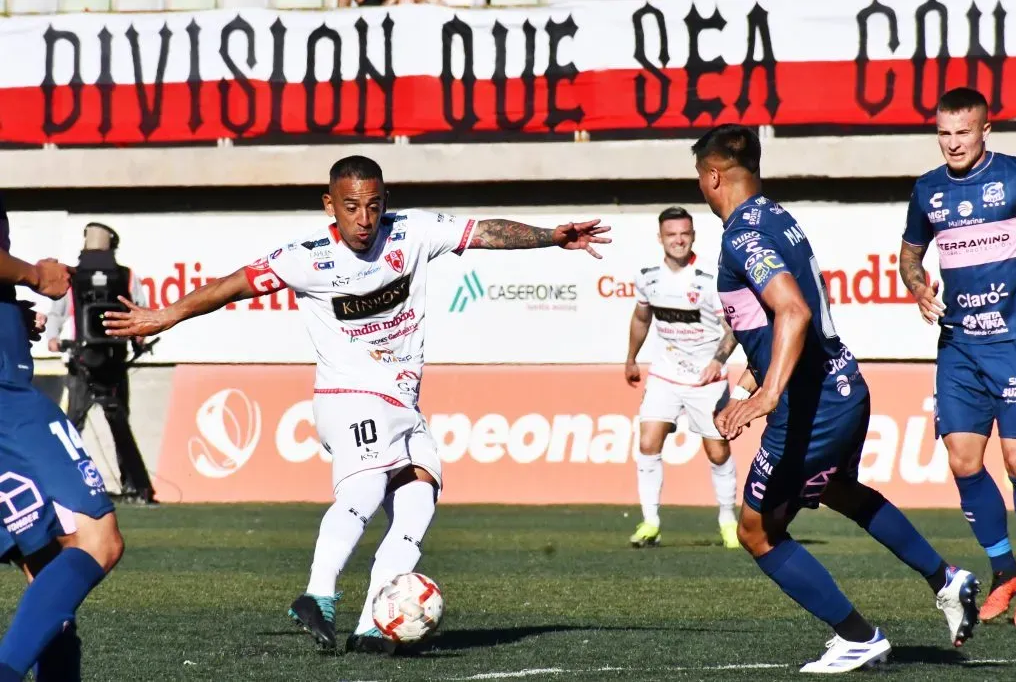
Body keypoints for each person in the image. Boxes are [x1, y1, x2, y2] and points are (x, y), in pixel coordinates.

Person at [103, 155, 611, 654]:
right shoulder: (305, 257)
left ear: (385, 201)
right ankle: (318, 592)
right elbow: (229, 286)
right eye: (350, 207)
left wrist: (552, 236)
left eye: (372, 206)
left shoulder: (413, 232)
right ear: (330, 205)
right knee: (368, 484)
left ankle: (372, 624)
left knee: (418, 500)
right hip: (348, 396)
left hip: (403, 403)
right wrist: (166, 315)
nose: (363, 220)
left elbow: (485, 231)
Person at [694, 124, 979, 673]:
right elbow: (780, 324)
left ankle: (858, 636)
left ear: (712, 177)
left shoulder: (740, 236)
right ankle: (946, 579)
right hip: (843, 386)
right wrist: (754, 381)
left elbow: (794, 312)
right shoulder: (778, 218)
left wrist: (767, 395)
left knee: (756, 529)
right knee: (838, 490)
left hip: (811, 406)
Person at [900, 86, 1016, 627]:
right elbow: (910, 255)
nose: (953, 143)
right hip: (959, 346)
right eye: (944, 133)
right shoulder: (927, 189)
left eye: (963, 132)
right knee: (963, 460)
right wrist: (917, 286)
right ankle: (1006, 571)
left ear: (985, 129)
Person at [0, 198, 125, 681]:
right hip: (8, 402)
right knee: (96, 540)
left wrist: (11, 314)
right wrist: (33, 275)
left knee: (47, 564)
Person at [625, 206, 740, 549]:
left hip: (707, 378)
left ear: (693, 237)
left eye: (684, 234)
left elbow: (732, 328)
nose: (678, 240)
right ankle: (650, 521)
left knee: (717, 452)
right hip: (666, 372)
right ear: (660, 238)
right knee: (648, 443)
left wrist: (718, 361)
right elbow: (641, 318)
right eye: (671, 234)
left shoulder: (709, 278)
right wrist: (631, 358)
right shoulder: (648, 277)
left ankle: (727, 520)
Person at [45, 222, 155, 504]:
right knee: (109, 423)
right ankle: (136, 488)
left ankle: (64, 485)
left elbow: (57, 313)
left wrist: (54, 337)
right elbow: (140, 309)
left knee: (76, 425)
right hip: (106, 360)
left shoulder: (78, 277)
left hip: (89, 359)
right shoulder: (125, 276)